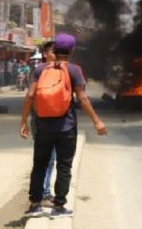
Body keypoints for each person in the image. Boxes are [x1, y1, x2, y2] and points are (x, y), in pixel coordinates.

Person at [20, 34, 107, 218]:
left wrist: (24, 122)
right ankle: (59, 206)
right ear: (72, 50)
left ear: (54, 49)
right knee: (64, 166)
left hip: (43, 126)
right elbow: (82, 99)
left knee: (39, 165)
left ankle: (35, 205)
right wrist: (96, 121)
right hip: (66, 127)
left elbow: (30, 96)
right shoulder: (74, 70)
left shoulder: (40, 69)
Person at [29, 42, 57, 205]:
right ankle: (42, 194)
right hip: (42, 122)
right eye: (54, 51)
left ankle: (43, 193)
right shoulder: (40, 71)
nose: (58, 54)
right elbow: (32, 98)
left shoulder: (59, 70)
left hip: (55, 123)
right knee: (45, 159)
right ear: (45, 54)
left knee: (51, 159)